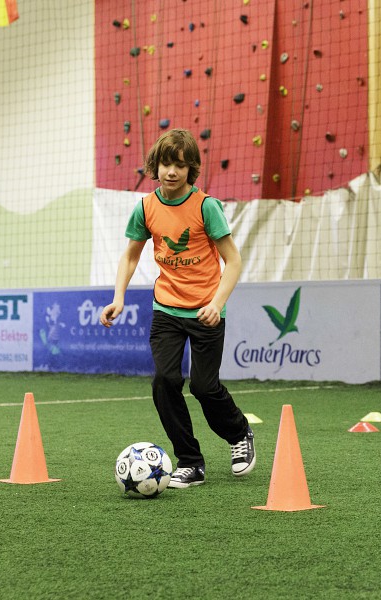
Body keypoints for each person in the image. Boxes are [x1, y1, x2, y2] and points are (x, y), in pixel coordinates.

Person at [100, 128, 254, 487]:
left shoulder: (206, 206)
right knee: (165, 381)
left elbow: (233, 261)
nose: (172, 172)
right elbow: (131, 255)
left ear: (191, 170)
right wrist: (118, 298)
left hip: (206, 311)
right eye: (166, 164)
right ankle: (190, 461)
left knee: (203, 386)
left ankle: (239, 434)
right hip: (166, 309)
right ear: (156, 165)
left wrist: (217, 303)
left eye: (180, 166)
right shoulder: (146, 207)